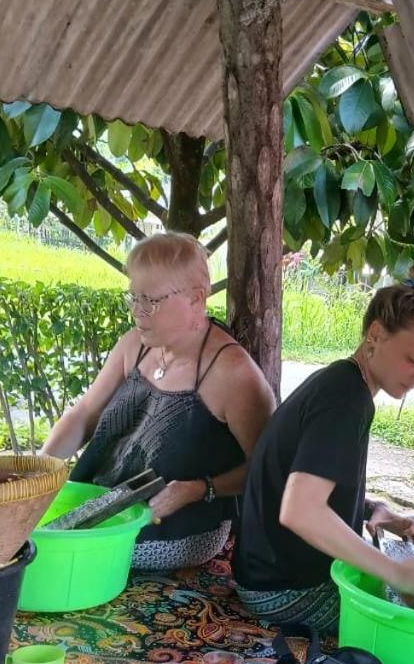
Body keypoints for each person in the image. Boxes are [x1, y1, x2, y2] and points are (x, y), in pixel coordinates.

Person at [41, 232, 274, 569]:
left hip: (178, 530)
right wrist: (39, 470)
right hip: (106, 505)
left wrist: (199, 489)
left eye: (151, 300)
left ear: (196, 297)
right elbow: (85, 413)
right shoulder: (134, 345)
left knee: (47, 558)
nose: (138, 311)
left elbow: (267, 468)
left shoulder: (233, 373)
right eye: (133, 297)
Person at [233, 278, 414, 633]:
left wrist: (371, 510)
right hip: (282, 590)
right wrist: (394, 571)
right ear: (376, 334)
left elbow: (306, 484)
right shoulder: (346, 400)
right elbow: (300, 511)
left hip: (266, 575)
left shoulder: (341, 383)